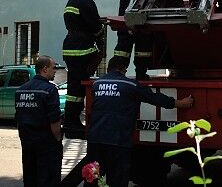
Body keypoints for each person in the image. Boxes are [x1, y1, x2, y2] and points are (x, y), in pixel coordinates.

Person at [81, 56, 193, 187]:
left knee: (92, 177)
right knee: (117, 178)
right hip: (118, 140)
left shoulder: (97, 84)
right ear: (123, 69)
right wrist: (180, 103)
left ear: (108, 68)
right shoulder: (130, 85)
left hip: (95, 139)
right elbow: (154, 98)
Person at [63, 0, 104, 136]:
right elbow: (95, 27)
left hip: (69, 47)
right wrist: (100, 34)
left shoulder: (70, 1)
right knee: (80, 88)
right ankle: (73, 123)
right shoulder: (87, 3)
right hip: (82, 49)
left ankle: (70, 121)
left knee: (73, 88)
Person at [15, 55, 62, 187]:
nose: (55, 71)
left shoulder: (20, 90)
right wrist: (57, 139)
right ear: (45, 69)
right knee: (47, 179)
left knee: (30, 178)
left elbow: (18, 118)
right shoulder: (50, 90)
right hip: (46, 145)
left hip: (27, 144)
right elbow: (54, 120)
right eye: (53, 68)